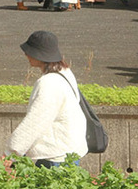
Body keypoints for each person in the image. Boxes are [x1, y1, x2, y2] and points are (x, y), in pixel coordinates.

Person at [7, 30, 88, 167]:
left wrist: (10, 153)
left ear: (39, 55)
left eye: (29, 51)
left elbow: (35, 122)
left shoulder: (49, 83)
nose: (26, 54)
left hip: (57, 155)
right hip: (68, 148)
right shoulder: (65, 72)